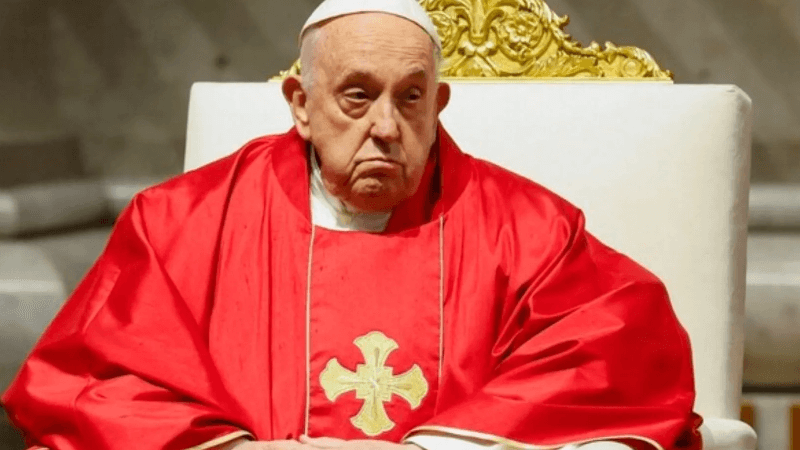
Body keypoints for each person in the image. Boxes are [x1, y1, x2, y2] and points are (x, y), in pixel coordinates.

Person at [1, 1, 702, 449]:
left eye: (411, 98)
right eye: (357, 96)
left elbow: (617, 355)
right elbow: (95, 386)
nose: (387, 127)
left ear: (439, 104)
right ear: (301, 104)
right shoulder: (182, 224)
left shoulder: (529, 231)